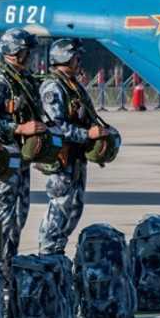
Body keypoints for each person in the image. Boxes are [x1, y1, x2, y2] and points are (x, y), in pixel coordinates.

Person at [36, 38, 110, 256]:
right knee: (59, 207)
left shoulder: (73, 86)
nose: (79, 61)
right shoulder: (53, 87)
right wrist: (87, 134)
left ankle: (57, 251)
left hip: (77, 157)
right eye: (76, 57)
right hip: (63, 158)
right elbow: (55, 125)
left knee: (74, 209)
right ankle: (47, 254)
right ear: (65, 58)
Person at [0, 28, 49, 263]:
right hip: (6, 158)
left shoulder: (25, 81)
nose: (30, 56)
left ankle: (8, 265)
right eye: (26, 52)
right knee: (1, 213)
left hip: (23, 159)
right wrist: (19, 129)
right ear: (15, 53)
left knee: (20, 214)